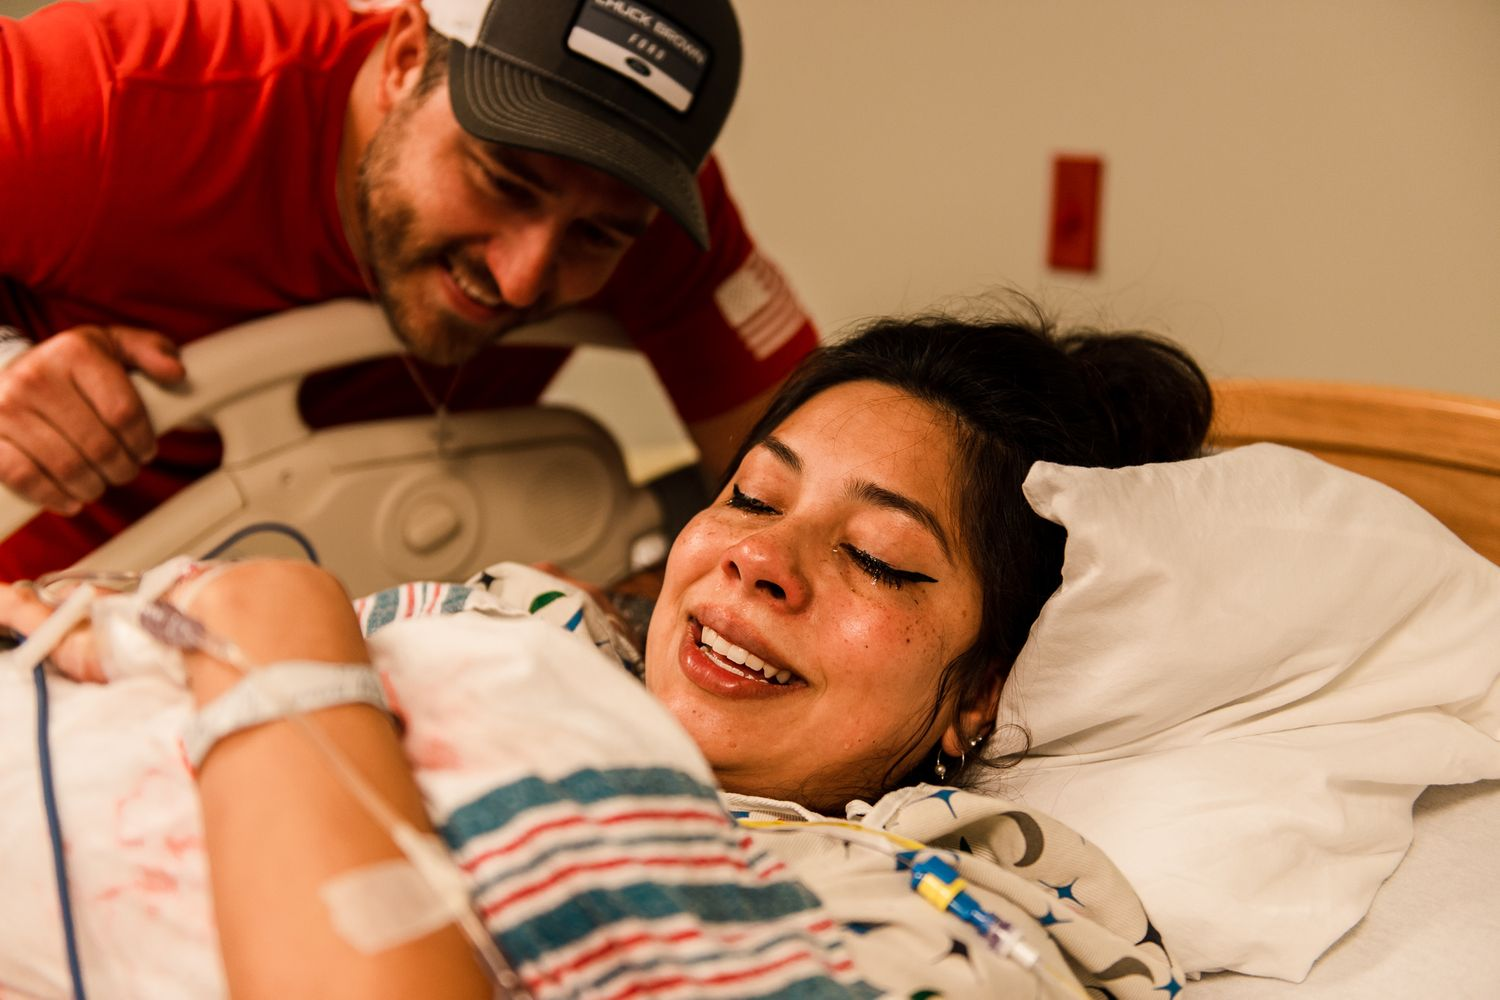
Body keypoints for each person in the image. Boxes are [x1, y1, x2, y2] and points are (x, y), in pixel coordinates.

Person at [0, 303, 1209, 998]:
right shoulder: (509, 629)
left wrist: (275, 631)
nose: (759, 559)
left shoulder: (950, 914)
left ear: (981, 691)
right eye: (750, 496)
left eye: (878, 557)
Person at [0, 0, 816, 581]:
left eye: (593, 239)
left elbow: (819, 467)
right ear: (402, 60)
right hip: (47, 602)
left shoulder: (646, 215)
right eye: (503, 183)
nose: (521, 279)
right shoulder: (110, 96)